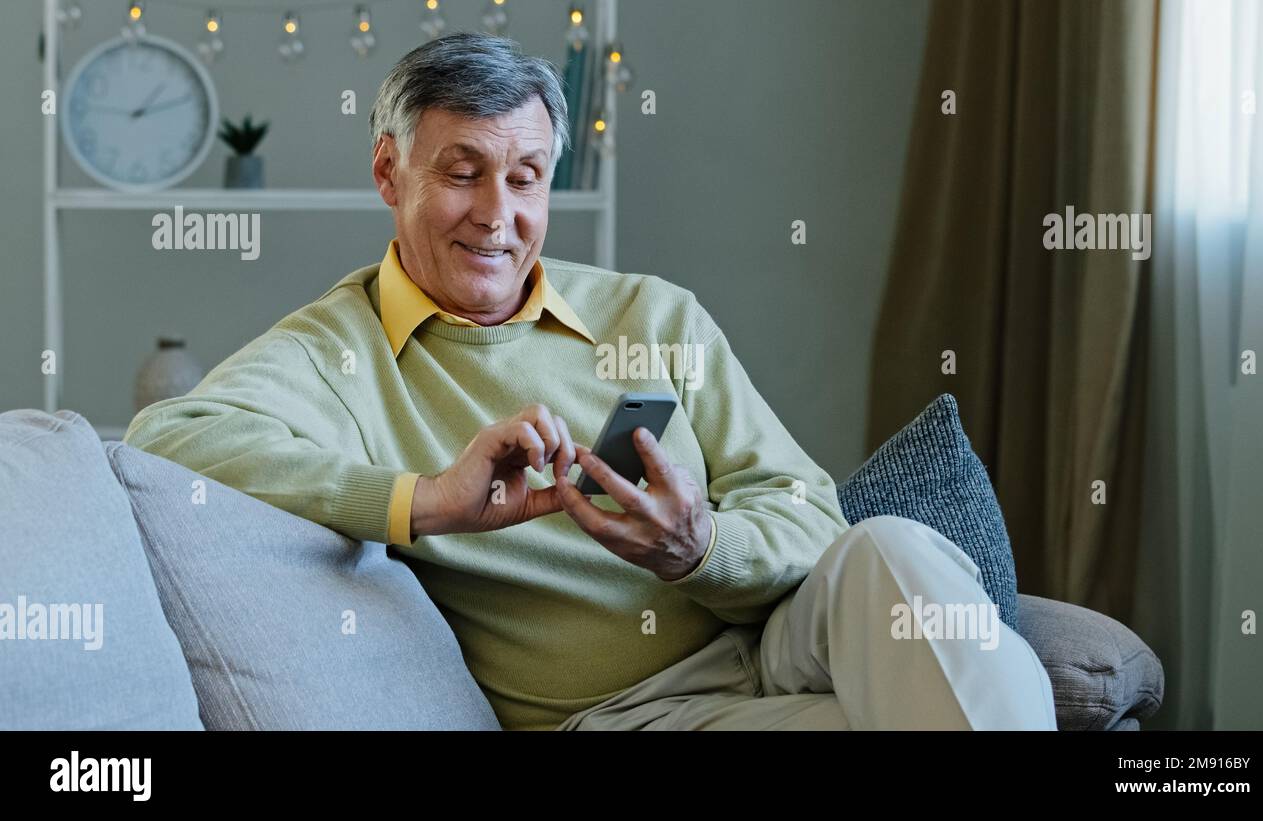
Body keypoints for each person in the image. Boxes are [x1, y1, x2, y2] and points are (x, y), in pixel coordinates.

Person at [125, 33, 1055, 731]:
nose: (499, 215)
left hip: (781, 632)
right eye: (463, 173)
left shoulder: (654, 314)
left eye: (526, 178)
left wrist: (699, 547)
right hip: (635, 713)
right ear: (388, 171)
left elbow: (808, 508)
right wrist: (427, 499)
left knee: (889, 547)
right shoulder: (339, 351)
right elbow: (165, 438)